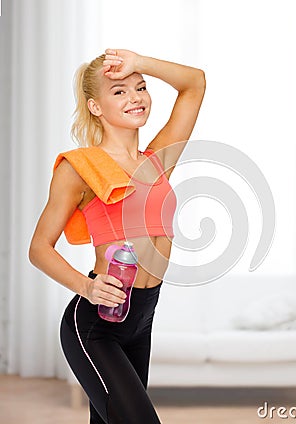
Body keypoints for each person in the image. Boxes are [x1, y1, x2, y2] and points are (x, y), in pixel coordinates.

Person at [29, 48, 206, 423]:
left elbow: (195, 83)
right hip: (97, 323)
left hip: (142, 318)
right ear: (95, 107)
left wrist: (139, 62)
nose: (135, 97)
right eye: (119, 91)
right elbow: (39, 248)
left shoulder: (157, 160)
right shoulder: (80, 168)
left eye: (140, 88)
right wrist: (87, 287)